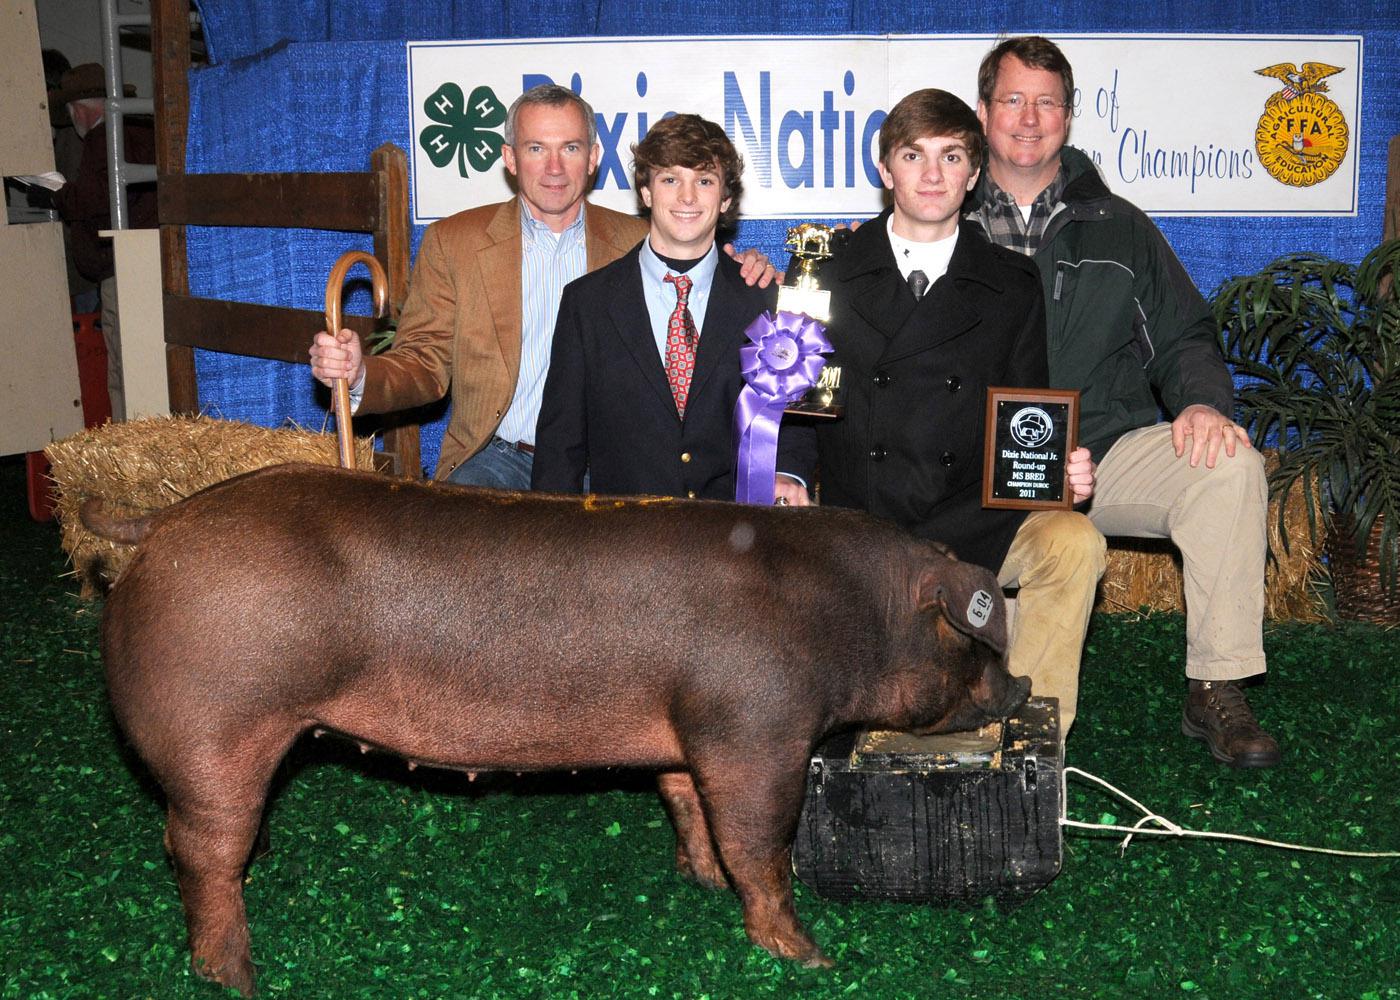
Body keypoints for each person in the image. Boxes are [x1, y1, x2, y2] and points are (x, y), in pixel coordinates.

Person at [966, 36, 1278, 767]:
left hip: (1102, 451)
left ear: (1068, 118)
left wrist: (1202, 402)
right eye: (1012, 100)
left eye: (1047, 102)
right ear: (984, 113)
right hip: (979, 468)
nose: (1029, 118)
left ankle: (1216, 684)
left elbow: (1184, 333)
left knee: (1229, 466)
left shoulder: (1120, 225)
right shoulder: (945, 217)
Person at [815, 88, 1103, 735]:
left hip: (974, 521)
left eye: (951, 157)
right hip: (868, 528)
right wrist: (786, 478)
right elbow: (797, 406)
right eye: (913, 156)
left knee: (1072, 539)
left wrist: (1057, 470)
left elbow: (1026, 415)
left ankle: (1030, 736)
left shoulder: (1012, 283)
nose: (932, 174)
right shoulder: (828, 275)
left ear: (973, 175)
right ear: (886, 170)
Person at [309, 84, 774, 486]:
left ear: (593, 158)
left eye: (570, 148)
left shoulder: (645, 240)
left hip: (614, 465)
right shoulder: (455, 242)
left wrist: (752, 268)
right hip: (497, 457)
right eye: (536, 149)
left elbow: (706, 274)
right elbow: (423, 362)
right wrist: (360, 373)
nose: (554, 167)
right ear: (510, 158)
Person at [532, 114, 815, 501]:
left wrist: (786, 474)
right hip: (624, 543)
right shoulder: (587, 304)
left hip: (734, 541)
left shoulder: (765, 299)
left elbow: (795, 416)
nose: (687, 197)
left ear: (726, 198)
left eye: (704, 181)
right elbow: (559, 448)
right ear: (646, 193)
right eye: (670, 180)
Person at [49, 62, 156, 422]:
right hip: (150, 258)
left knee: (124, 364)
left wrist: (60, 195)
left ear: (79, 110)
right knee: (148, 360)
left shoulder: (101, 141)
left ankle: (128, 438)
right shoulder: (139, 132)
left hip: (119, 264)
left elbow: (95, 201)